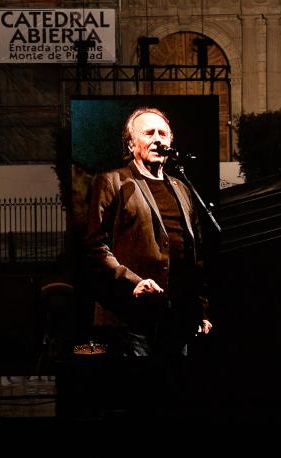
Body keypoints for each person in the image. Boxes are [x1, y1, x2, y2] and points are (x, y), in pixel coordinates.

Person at [84, 107, 212, 411]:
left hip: (177, 315)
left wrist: (201, 308)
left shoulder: (181, 188)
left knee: (175, 400)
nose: (157, 139)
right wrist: (133, 282)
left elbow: (196, 255)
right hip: (133, 317)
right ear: (131, 144)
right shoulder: (113, 181)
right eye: (149, 133)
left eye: (162, 133)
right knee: (140, 399)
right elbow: (94, 246)